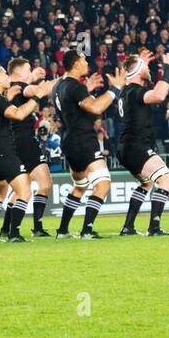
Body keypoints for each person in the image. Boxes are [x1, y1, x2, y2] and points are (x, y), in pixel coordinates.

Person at [0, 62, 54, 242]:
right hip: (4, 152)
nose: (7, 78)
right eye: (4, 74)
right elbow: (18, 114)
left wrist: (7, 99)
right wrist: (37, 97)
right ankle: (14, 234)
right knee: (24, 191)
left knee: (0, 193)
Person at [52, 50, 126, 238]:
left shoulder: (59, 85)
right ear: (76, 64)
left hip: (68, 141)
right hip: (83, 140)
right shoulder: (74, 87)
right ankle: (87, 230)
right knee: (103, 183)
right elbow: (95, 107)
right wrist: (115, 89)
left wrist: (87, 90)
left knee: (80, 186)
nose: (87, 64)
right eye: (84, 61)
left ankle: (62, 231)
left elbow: (75, 105)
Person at [115, 49, 169, 236]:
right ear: (136, 69)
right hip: (136, 146)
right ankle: (154, 227)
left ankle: (128, 227)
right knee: (166, 178)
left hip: (126, 146)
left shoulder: (126, 91)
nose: (148, 68)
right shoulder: (134, 90)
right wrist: (167, 70)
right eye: (145, 65)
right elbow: (158, 95)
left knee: (146, 183)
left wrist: (142, 62)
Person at [6, 58, 55, 237]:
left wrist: (33, 76)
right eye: (28, 69)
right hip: (25, 140)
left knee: (21, 187)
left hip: (15, 140)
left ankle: (6, 228)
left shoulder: (11, 86)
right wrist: (63, 78)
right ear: (19, 72)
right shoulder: (20, 86)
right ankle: (37, 227)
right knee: (45, 182)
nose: (31, 71)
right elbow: (36, 90)